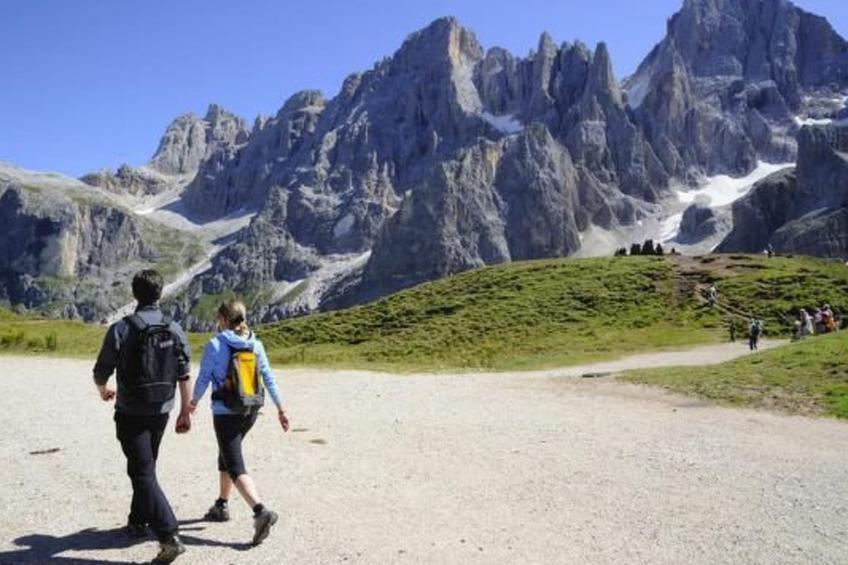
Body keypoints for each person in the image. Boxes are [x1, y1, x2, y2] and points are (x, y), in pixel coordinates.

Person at [93, 270, 192, 565]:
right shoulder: (174, 328)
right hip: (162, 409)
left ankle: (169, 535)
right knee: (145, 466)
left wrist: (103, 390)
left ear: (135, 295)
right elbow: (184, 373)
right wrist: (186, 410)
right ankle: (137, 521)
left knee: (142, 471)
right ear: (160, 294)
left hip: (131, 410)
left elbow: (101, 370)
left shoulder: (122, 328)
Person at [190, 300, 290, 546]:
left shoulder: (215, 345)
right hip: (251, 410)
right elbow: (268, 377)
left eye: (218, 318)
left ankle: (260, 511)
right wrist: (281, 409)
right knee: (226, 454)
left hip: (226, 412)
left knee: (235, 465)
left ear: (224, 319)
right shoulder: (256, 344)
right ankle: (221, 505)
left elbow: (203, 378)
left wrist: (192, 403)